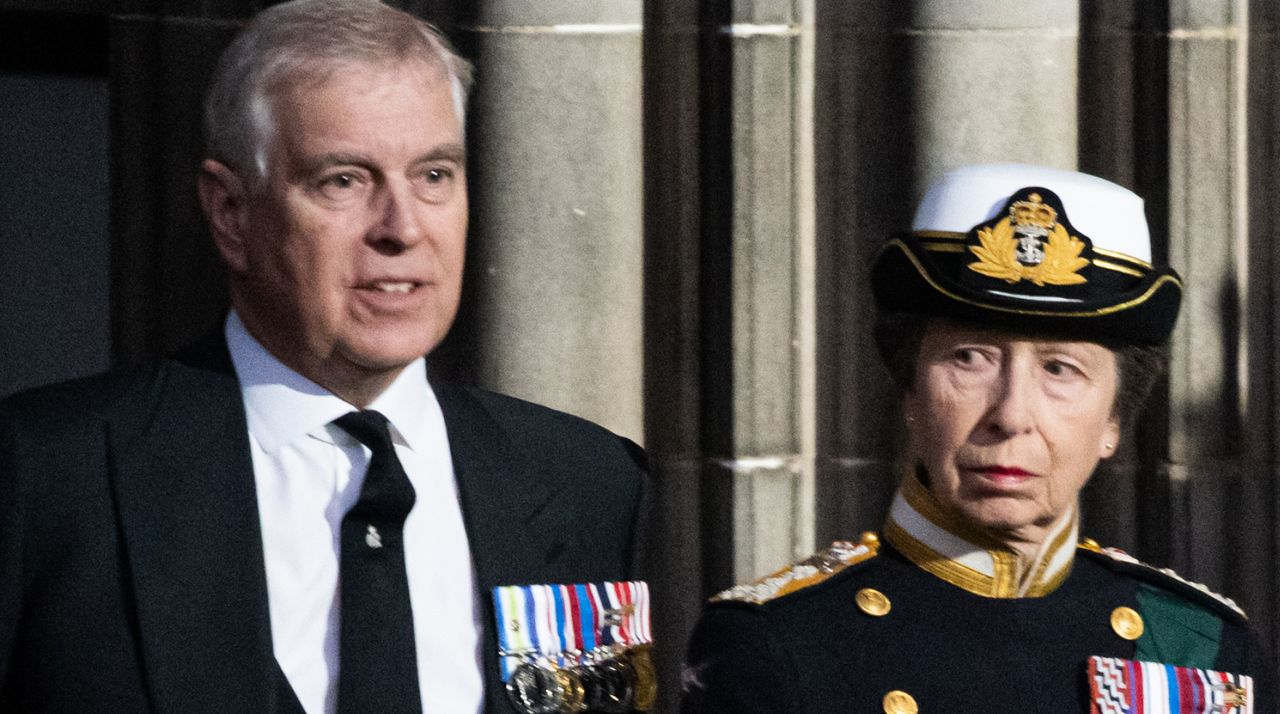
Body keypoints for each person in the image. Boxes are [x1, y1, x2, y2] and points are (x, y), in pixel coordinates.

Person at [0, 2, 648, 713]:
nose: (402, 228)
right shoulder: (49, 479)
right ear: (231, 215)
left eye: (434, 176)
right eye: (344, 180)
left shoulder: (589, 484)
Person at [679, 163, 1274, 713]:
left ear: (1115, 420)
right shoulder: (780, 643)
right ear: (909, 393)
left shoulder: (1201, 645)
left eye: (1059, 369)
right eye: (971, 358)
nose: (1011, 414)